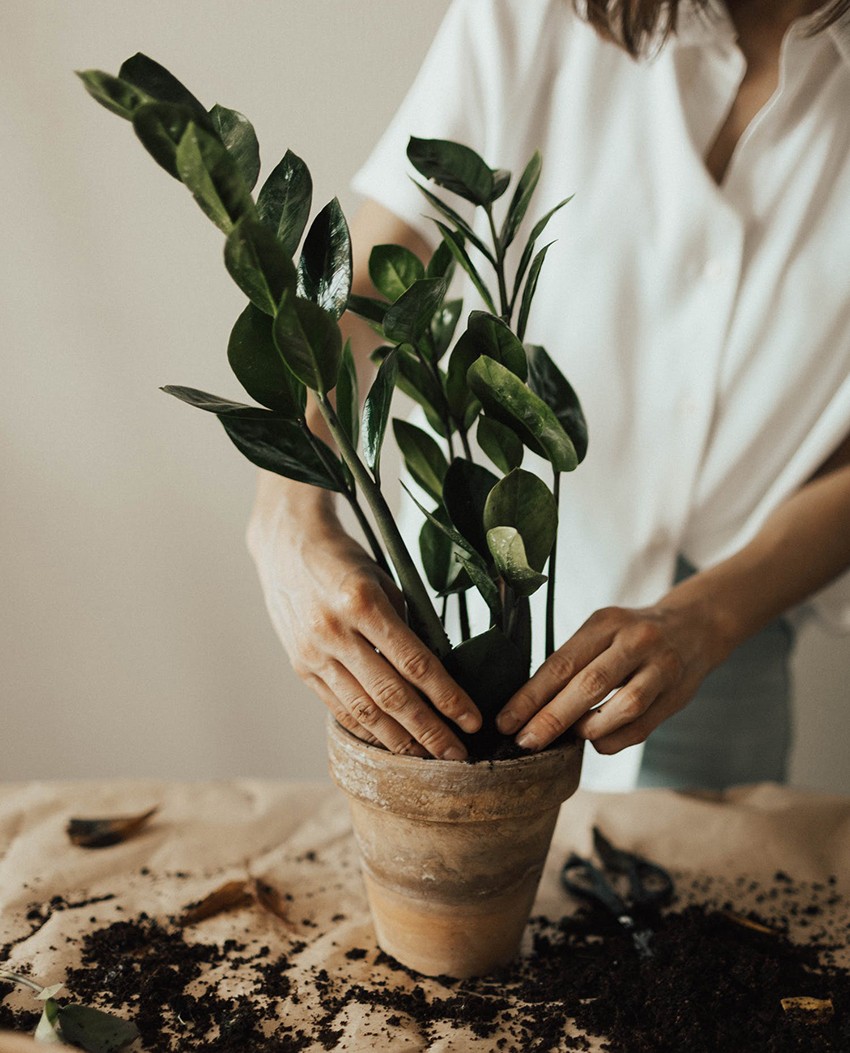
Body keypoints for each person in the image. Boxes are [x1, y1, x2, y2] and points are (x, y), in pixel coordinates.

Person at [247, 0, 850, 790]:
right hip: (458, 601)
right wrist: (287, 515)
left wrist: (710, 617)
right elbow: (369, 284)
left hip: (724, 635)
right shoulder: (537, 14)